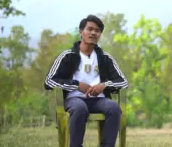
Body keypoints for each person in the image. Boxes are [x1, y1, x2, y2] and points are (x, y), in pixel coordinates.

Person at [44, 14, 129, 147]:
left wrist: (104, 85)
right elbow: (49, 81)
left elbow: (123, 82)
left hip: (98, 100)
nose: (93, 32)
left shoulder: (105, 58)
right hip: (74, 99)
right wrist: (76, 85)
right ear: (81, 31)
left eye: (97, 30)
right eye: (89, 29)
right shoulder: (67, 56)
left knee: (113, 107)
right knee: (80, 108)